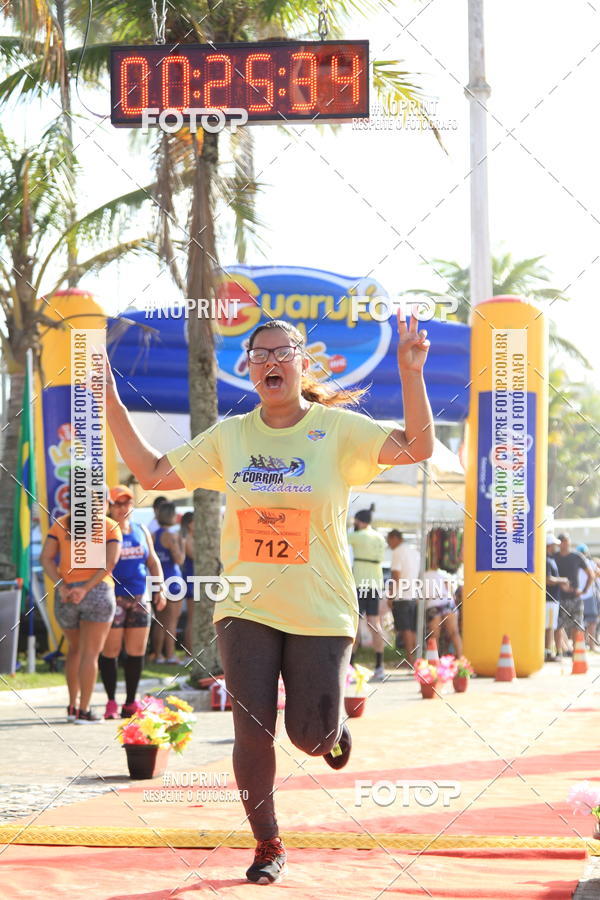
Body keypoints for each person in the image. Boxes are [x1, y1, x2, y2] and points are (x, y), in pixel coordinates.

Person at [105, 312, 433, 884]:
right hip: (245, 604)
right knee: (252, 729)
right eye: (261, 354)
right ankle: (267, 841)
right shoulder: (231, 436)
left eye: (284, 353)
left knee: (310, 736)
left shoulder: (338, 429)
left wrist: (411, 373)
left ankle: (331, 731)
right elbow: (152, 472)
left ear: (304, 363)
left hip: (320, 604)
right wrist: (107, 395)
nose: (272, 362)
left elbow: (417, 447)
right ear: (249, 368)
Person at [40, 492, 122, 723]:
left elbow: (45, 558)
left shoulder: (61, 523)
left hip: (66, 594)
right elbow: (110, 563)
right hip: (97, 591)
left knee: (74, 651)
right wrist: (86, 588)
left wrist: (62, 586)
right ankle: (84, 711)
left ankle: (72, 706)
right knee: (90, 654)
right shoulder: (109, 526)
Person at [99, 485, 167, 718]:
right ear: (110, 506)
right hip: (113, 596)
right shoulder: (105, 531)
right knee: (111, 650)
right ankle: (110, 701)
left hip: (139, 596)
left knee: (137, 651)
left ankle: (130, 702)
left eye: (127, 503)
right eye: (118, 503)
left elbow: (153, 561)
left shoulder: (140, 529)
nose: (123, 508)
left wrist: (160, 588)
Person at [348, 509, 387, 681]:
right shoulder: (380, 537)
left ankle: (349, 666)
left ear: (360, 521)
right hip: (375, 584)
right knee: (375, 624)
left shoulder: (358, 536)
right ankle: (379, 666)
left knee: (354, 623)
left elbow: (339, 540)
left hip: (359, 584)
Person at [151, 501, 186, 664]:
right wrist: (182, 544)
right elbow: (179, 559)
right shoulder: (172, 536)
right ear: (171, 516)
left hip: (157, 580)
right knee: (172, 621)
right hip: (173, 581)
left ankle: (158, 655)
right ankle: (171, 655)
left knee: (160, 620)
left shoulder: (153, 535)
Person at [386, 529, 420, 668]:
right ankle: (415, 660)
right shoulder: (415, 552)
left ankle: (410, 660)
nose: (389, 544)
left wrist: (390, 596)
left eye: (389, 540)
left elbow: (396, 576)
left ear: (395, 538)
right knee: (412, 629)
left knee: (405, 629)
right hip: (413, 595)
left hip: (402, 596)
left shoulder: (397, 552)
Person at [554, 533, 593, 650]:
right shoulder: (554, 557)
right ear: (559, 543)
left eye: (567, 541)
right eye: (563, 542)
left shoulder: (577, 557)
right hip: (558, 597)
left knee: (577, 626)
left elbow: (590, 574)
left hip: (575, 598)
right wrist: (560, 583)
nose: (565, 544)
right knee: (558, 626)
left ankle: (577, 651)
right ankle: (559, 652)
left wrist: (584, 590)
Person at [423, 567, 463, 656]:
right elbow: (450, 589)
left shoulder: (421, 576)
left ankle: (433, 661)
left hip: (433, 603)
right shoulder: (442, 574)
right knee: (454, 633)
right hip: (447, 601)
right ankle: (461, 660)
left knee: (434, 637)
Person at [545, 534, 569, 660]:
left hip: (553, 599)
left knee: (551, 626)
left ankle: (549, 652)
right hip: (549, 599)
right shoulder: (546, 560)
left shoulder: (550, 559)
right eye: (554, 545)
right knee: (549, 627)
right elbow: (548, 579)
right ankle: (548, 653)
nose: (556, 547)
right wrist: (563, 580)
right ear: (549, 546)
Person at [576, 544, 599, 651]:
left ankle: (582, 645)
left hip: (578, 595)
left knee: (580, 622)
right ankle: (591, 646)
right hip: (588, 595)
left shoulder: (575, 563)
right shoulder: (590, 563)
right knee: (592, 622)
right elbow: (597, 574)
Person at [180, 511, 195, 657]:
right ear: (189, 524)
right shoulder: (187, 538)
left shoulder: (191, 537)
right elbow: (195, 555)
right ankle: (189, 653)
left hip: (195, 579)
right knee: (192, 618)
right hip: (191, 580)